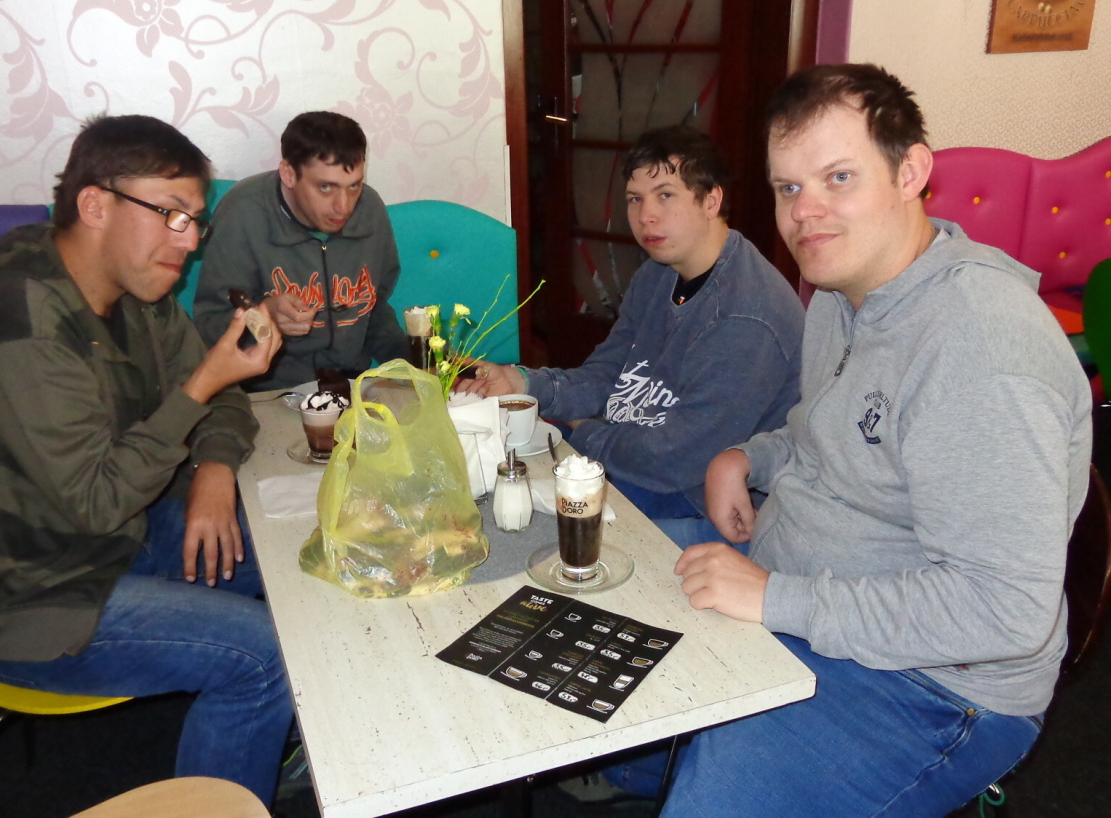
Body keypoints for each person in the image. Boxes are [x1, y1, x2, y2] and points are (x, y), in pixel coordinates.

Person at [646, 64, 1093, 816]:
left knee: (712, 794)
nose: (805, 212)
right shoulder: (841, 292)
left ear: (910, 172)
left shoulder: (982, 347)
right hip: (799, 585)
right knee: (605, 585)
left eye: (839, 177)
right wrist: (747, 457)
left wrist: (777, 598)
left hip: (935, 684)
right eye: (789, 187)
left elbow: (1005, 610)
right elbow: (825, 433)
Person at [0, 114, 293, 806]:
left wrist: (213, 473)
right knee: (261, 658)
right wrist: (202, 385)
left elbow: (223, 397)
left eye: (194, 221)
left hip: (108, 544)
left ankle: (272, 739)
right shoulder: (17, 321)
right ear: (95, 205)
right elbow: (99, 497)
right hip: (25, 597)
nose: (188, 241)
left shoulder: (138, 295)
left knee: (292, 551)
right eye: (170, 214)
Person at [459, 124, 803, 546]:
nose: (646, 216)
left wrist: (584, 429)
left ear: (711, 200)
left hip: (694, 500)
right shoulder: (659, 273)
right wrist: (524, 383)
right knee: (495, 497)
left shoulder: (746, 315)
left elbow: (674, 461)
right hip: (633, 459)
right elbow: (607, 374)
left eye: (665, 195)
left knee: (540, 536)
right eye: (635, 199)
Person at [193, 111, 407, 390]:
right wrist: (264, 316)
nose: (343, 206)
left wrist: (426, 365)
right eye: (326, 187)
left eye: (354, 186)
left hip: (351, 384)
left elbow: (372, 310)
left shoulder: (369, 208)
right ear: (289, 174)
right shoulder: (242, 214)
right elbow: (209, 328)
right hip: (268, 391)